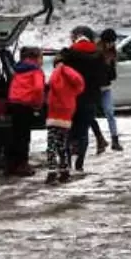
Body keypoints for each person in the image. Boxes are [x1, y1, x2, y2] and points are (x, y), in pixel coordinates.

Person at [62, 25, 107, 173]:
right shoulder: (99, 55)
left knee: (68, 132)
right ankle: (79, 164)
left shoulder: (69, 53)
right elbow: (103, 78)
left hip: (72, 98)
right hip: (90, 99)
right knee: (83, 132)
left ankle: (67, 162)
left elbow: (63, 75)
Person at [45, 49, 85, 185]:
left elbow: (51, 84)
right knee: (62, 144)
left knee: (51, 144)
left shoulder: (58, 72)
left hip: (55, 113)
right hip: (67, 113)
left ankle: (52, 172)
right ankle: (64, 170)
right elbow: (79, 84)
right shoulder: (71, 75)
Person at [6, 46, 45, 177]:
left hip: (14, 104)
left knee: (15, 135)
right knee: (24, 137)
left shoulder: (19, 69)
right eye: (41, 57)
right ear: (36, 58)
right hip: (26, 105)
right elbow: (39, 89)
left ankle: (11, 164)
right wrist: (38, 104)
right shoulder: (36, 71)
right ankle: (23, 165)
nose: (42, 61)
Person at [96, 28, 122, 152]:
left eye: (113, 42)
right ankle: (99, 139)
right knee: (89, 116)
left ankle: (115, 140)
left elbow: (113, 75)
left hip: (106, 88)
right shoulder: (95, 52)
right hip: (94, 89)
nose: (112, 44)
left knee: (110, 113)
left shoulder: (112, 53)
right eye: (110, 42)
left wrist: (111, 69)